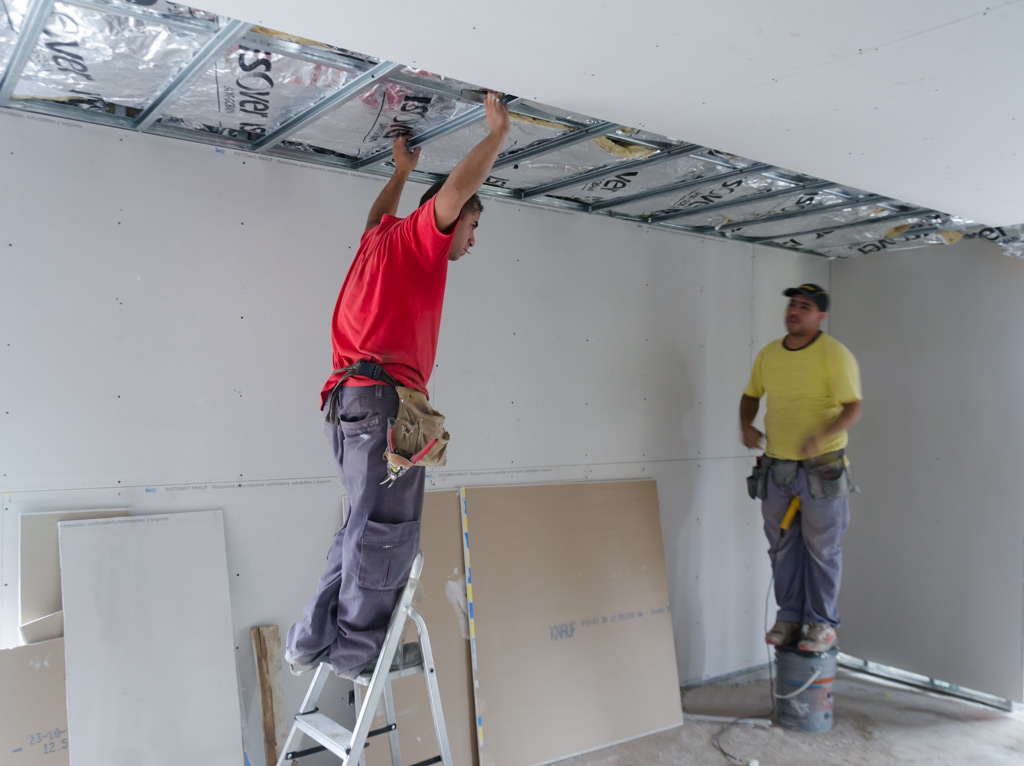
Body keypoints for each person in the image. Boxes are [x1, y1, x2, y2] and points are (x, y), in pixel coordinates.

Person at [285, 92, 511, 679]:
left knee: (361, 525)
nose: (471, 239)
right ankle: (359, 655)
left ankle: (311, 638)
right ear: (446, 217)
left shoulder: (379, 242)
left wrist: (399, 173)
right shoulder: (417, 243)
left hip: (352, 404)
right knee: (388, 532)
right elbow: (455, 192)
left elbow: (372, 218)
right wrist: (496, 133)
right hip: (387, 406)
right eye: (472, 226)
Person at [739, 283, 862, 653]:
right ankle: (790, 617)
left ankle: (821, 624)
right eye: (792, 305)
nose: (794, 311)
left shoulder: (835, 355)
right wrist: (746, 424)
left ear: (820, 315)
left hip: (821, 469)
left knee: (822, 549)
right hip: (777, 468)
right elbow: (750, 395)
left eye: (804, 306)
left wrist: (822, 435)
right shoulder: (769, 355)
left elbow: (853, 407)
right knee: (781, 547)